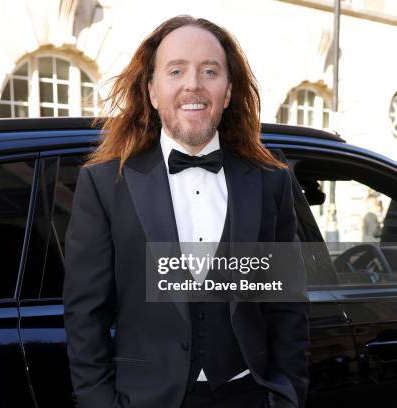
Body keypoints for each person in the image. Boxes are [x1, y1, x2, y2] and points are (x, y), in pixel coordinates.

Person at [63, 15, 309, 408]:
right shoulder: (105, 185)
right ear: (153, 91)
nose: (193, 84)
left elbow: (287, 308)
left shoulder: (269, 183)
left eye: (209, 71)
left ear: (227, 91)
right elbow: (85, 317)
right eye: (176, 70)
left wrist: (286, 394)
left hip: (249, 395)